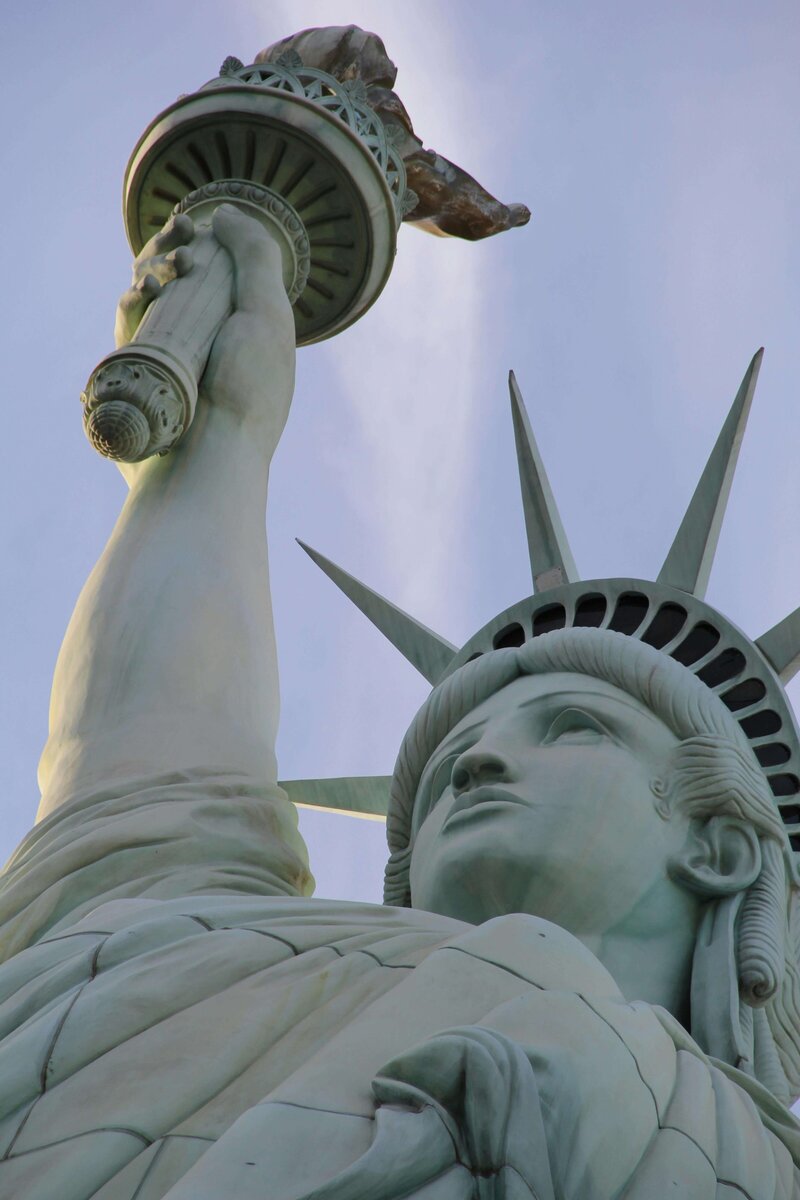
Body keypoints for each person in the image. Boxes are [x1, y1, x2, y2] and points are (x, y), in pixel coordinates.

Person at [1, 207, 798, 1199]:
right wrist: (227, 438)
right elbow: (135, 757)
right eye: (449, 755)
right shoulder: (204, 963)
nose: (475, 763)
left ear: (718, 848)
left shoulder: (738, 1158)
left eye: (574, 728)